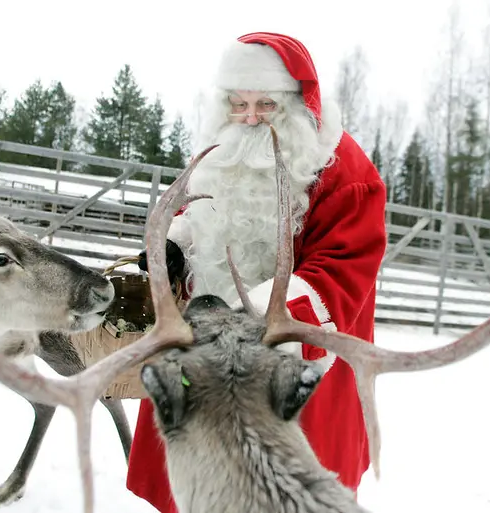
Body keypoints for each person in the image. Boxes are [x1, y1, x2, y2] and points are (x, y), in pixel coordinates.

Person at [128, 31, 387, 512]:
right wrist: (176, 248)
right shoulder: (220, 148)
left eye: (265, 105)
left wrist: (254, 316)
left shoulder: (345, 172)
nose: (248, 118)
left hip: (288, 368)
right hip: (204, 355)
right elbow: (200, 213)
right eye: (237, 103)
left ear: (295, 103)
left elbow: (342, 272)